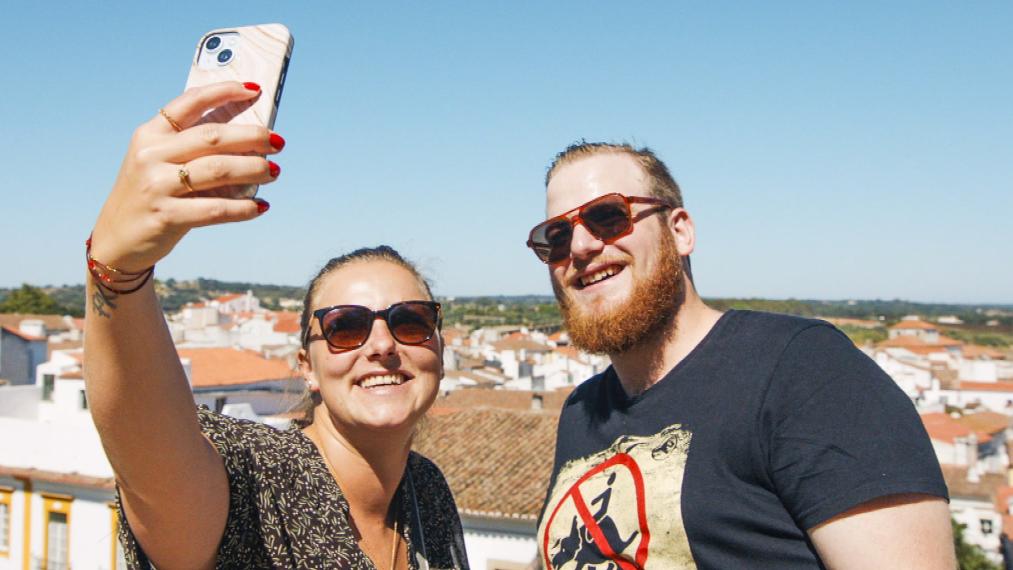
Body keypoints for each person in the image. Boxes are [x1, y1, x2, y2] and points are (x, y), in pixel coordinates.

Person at [84, 82, 468, 569]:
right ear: (306, 366)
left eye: (409, 321)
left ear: (438, 344)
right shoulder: (254, 474)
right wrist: (118, 272)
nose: (381, 345)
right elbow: (155, 459)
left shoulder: (428, 494)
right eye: (345, 326)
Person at [527, 142, 955, 568]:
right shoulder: (582, 412)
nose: (580, 248)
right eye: (556, 237)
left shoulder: (805, 370)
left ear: (680, 232)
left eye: (607, 216)